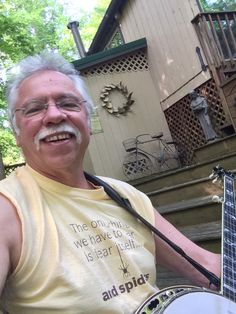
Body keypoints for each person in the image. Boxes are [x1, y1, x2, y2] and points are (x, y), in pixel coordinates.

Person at [0, 52, 220, 314]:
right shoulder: (8, 209)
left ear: (88, 122)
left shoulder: (126, 195)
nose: (54, 115)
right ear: (16, 133)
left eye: (68, 103)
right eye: (35, 108)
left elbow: (206, 266)